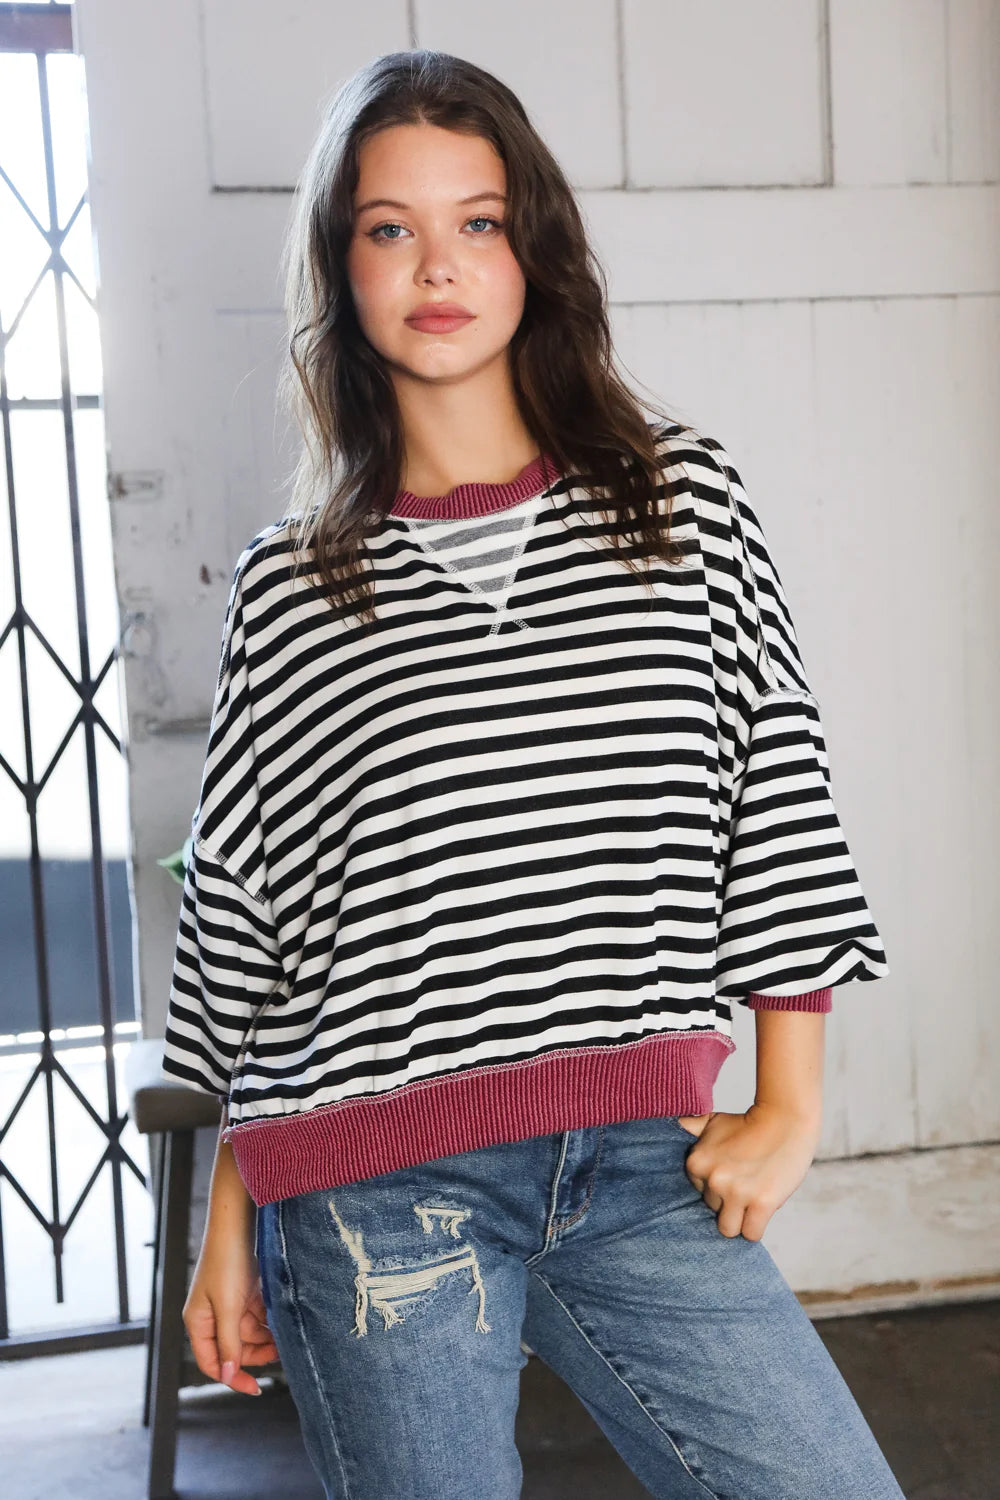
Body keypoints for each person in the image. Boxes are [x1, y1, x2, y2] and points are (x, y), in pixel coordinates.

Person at [160, 49, 905, 1500]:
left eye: (479, 221)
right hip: (374, 1194)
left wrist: (790, 1100)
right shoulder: (292, 584)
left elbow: (776, 789)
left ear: (532, 251)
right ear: (342, 269)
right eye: (390, 227)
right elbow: (255, 924)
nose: (437, 264)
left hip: (638, 1165)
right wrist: (228, 1222)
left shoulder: (680, 505)